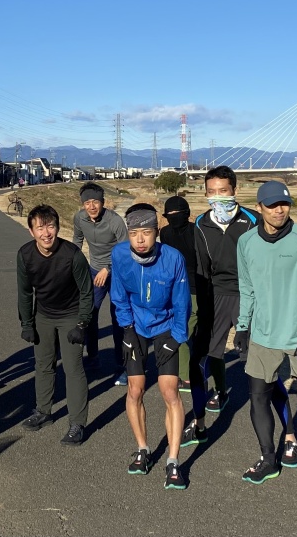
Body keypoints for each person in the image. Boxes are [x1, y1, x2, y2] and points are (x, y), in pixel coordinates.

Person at [236, 181, 297, 511]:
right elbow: (247, 288)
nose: (280, 210)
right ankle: (268, 459)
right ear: (259, 208)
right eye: (272, 205)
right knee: (258, 398)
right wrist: (243, 326)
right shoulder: (246, 242)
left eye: (285, 204)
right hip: (263, 335)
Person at [191, 166, 297, 457]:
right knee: (200, 361)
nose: (218, 197)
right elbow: (202, 270)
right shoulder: (200, 223)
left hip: (250, 297)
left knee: (264, 369)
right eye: (211, 192)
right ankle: (199, 423)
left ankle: (289, 434)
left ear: (234, 191)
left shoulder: (252, 220)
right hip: (216, 296)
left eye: (223, 191)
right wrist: (201, 309)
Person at [111, 203, 191, 490]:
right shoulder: (120, 254)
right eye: (134, 233)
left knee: (170, 392)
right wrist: (127, 329)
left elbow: (182, 301)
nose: (140, 239)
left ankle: (173, 460)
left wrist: (177, 337)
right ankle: (143, 449)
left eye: (146, 232)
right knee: (135, 389)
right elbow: (119, 294)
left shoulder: (173, 258)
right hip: (136, 325)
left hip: (166, 326)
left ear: (157, 232)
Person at [17, 204, 93, 446]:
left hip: (71, 314)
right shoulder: (25, 254)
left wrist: (82, 323)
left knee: (73, 368)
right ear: (31, 231)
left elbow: (86, 291)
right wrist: (27, 323)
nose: (46, 233)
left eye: (50, 226)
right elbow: (25, 292)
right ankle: (43, 411)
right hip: (44, 315)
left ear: (58, 228)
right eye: (40, 228)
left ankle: (77, 423)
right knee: (43, 365)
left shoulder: (73, 255)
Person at [72, 182, 128, 384]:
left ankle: (123, 366)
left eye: (95, 202)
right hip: (94, 271)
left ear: (103, 202)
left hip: (117, 272)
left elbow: (125, 250)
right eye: (87, 202)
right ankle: (93, 358)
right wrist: (71, 265)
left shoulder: (115, 221)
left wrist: (108, 268)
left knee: (118, 318)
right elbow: (77, 242)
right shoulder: (79, 218)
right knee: (89, 314)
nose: (92, 206)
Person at [159, 196, 206, 394]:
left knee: (184, 331)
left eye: (177, 214)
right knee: (181, 330)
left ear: (186, 214)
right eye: (169, 214)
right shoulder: (165, 232)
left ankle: (189, 375)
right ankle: (185, 374)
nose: (173, 217)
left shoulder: (197, 232)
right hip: (175, 289)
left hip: (196, 288)